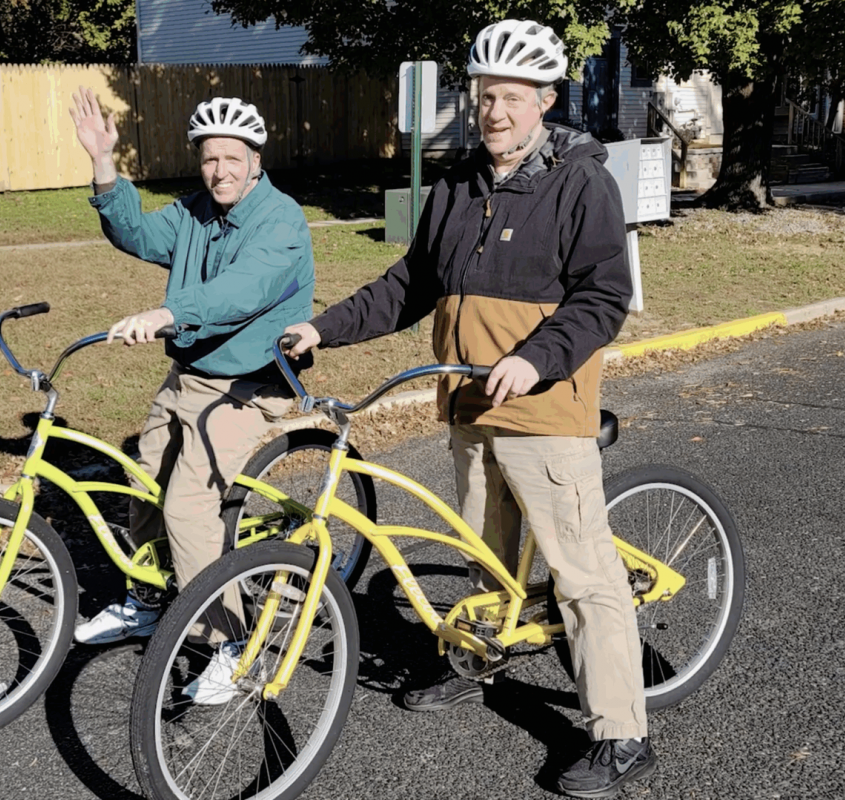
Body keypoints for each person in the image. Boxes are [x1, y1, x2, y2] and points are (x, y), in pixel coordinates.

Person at [282, 19, 655, 798]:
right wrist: (323, 328)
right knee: (490, 555)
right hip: (467, 406)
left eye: (513, 99)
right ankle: (478, 663)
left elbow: (603, 296)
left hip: (544, 410)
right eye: (487, 96)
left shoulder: (580, 179)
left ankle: (622, 734)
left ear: (545, 101)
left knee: (582, 574)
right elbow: (409, 285)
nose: (495, 112)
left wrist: (536, 357)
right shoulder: (457, 184)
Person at [68, 87, 314, 701]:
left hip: (248, 387)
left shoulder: (281, 222)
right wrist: (103, 163)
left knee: (188, 508)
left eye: (233, 158)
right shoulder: (196, 210)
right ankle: (148, 597)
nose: (220, 170)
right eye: (209, 158)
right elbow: (139, 236)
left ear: (257, 159)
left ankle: (231, 642)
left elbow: (239, 291)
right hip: (188, 377)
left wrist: (167, 312)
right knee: (144, 482)